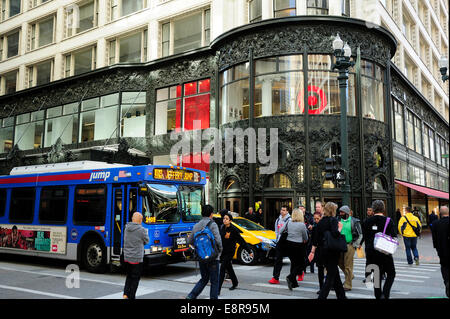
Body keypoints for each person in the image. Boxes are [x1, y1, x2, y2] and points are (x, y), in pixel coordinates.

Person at [308, 202, 346, 300]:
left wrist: (312, 252)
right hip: (332, 252)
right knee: (330, 276)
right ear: (333, 210)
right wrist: (340, 228)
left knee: (335, 275)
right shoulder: (333, 220)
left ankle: (341, 296)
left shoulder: (320, 222)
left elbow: (315, 239)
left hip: (322, 252)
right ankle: (322, 297)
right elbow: (335, 234)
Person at [186, 204, 223, 299]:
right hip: (213, 257)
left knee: (204, 279)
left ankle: (191, 296)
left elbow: (189, 241)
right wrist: (219, 251)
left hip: (202, 257)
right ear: (211, 214)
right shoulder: (213, 224)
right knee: (214, 281)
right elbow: (218, 240)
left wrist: (199, 249)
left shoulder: (196, 226)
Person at [362, 200, 397, 299]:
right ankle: (385, 294)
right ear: (383, 209)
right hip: (384, 253)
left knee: (376, 276)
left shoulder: (366, 221)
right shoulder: (388, 221)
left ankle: (378, 296)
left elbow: (365, 237)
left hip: (371, 253)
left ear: (373, 209)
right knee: (391, 273)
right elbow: (394, 237)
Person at [218, 212, 252, 294]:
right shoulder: (222, 227)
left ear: (230, 221)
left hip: (230, 252)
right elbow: (219, 239)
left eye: (226, 219)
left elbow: (241, 241)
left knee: (222, 268)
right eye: (224, 218)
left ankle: (217, 290)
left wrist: (249, 251)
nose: (224, 220)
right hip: (223, 251)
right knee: (229, 268)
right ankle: (235, 283)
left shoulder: (233, 230)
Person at [123, 212, 150, 299]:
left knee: (129, 276)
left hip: (127, 257)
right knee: (135, 279)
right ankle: (132, 296)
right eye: (141, 219)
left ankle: (125, 294)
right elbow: (147, 241)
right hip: (137, 258)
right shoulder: (141, 230)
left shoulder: (127, 228)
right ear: (140, 220)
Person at [337, 205, 363, 291]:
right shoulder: (338, 220)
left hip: (349, 245)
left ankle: (348, 285)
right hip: (340, 245)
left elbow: (360, 234)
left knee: (348, 265)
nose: (340, 214)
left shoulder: (354, 221)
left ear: (347, 213)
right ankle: (350, 276)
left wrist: (355, 245)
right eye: (340, 212)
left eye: (342, 212)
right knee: (340, 263)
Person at [285, 208, 309, 290]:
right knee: (302, 264)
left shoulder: (289, 222)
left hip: (288, 244)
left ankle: (294, 283)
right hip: (298, 245)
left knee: (293, 263)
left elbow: (282, 230)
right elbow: (306, 237)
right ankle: (290, 277)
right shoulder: (302, 225)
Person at [268, 205, 291, 284]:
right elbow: (276, 231)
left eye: (284, 210)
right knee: (278, 260)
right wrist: (277, 240)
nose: (282, 211)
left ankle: (298, 273)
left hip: (288, 242)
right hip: (280, 243)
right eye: (281, 210)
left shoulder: (290, 220)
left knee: (293, 259)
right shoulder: (278, 220)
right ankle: (275, 277)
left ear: (287, 211)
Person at [431, 206, 449, 298]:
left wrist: (437, 248)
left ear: (440, 213)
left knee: (444, 268)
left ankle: (447, 281)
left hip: (442, 251)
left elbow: (434, 240)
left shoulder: (435, 224)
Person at [310, 211, 325, 293]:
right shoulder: (315, 227)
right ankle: (321, 287)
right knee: (320, 270)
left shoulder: (322, 227)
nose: (316, 220)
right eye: (315, 219)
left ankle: (327, 286)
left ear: (321, 217)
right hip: (319, 250)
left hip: (325, 249)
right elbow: (314, 241)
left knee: (329, 269)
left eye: (318, 218)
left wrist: (312, 251)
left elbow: (314, 241)